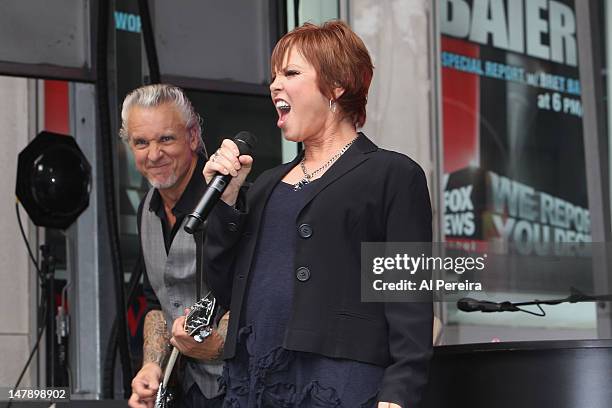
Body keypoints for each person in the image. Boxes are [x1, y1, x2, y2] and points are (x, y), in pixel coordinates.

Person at [204, 21, 432, 408]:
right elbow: (225, 290)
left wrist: (399, 393)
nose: (275, 85)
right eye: (274, 75)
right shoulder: (264, 185)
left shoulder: (392, 174)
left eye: (291, 73)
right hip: (257, 382)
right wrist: (226, 200)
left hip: (338, 384)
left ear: (337, 84)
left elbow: (409, 300)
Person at [122, 84, 227, 408]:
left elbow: (259, 301)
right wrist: (152, 364)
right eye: (141, 142)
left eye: (166, 139)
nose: (153, 155)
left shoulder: (231, 200)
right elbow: (156, 302)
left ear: (193, 137)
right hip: (182, 391)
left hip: (238, 390)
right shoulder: (148, 208)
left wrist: (216, 345)